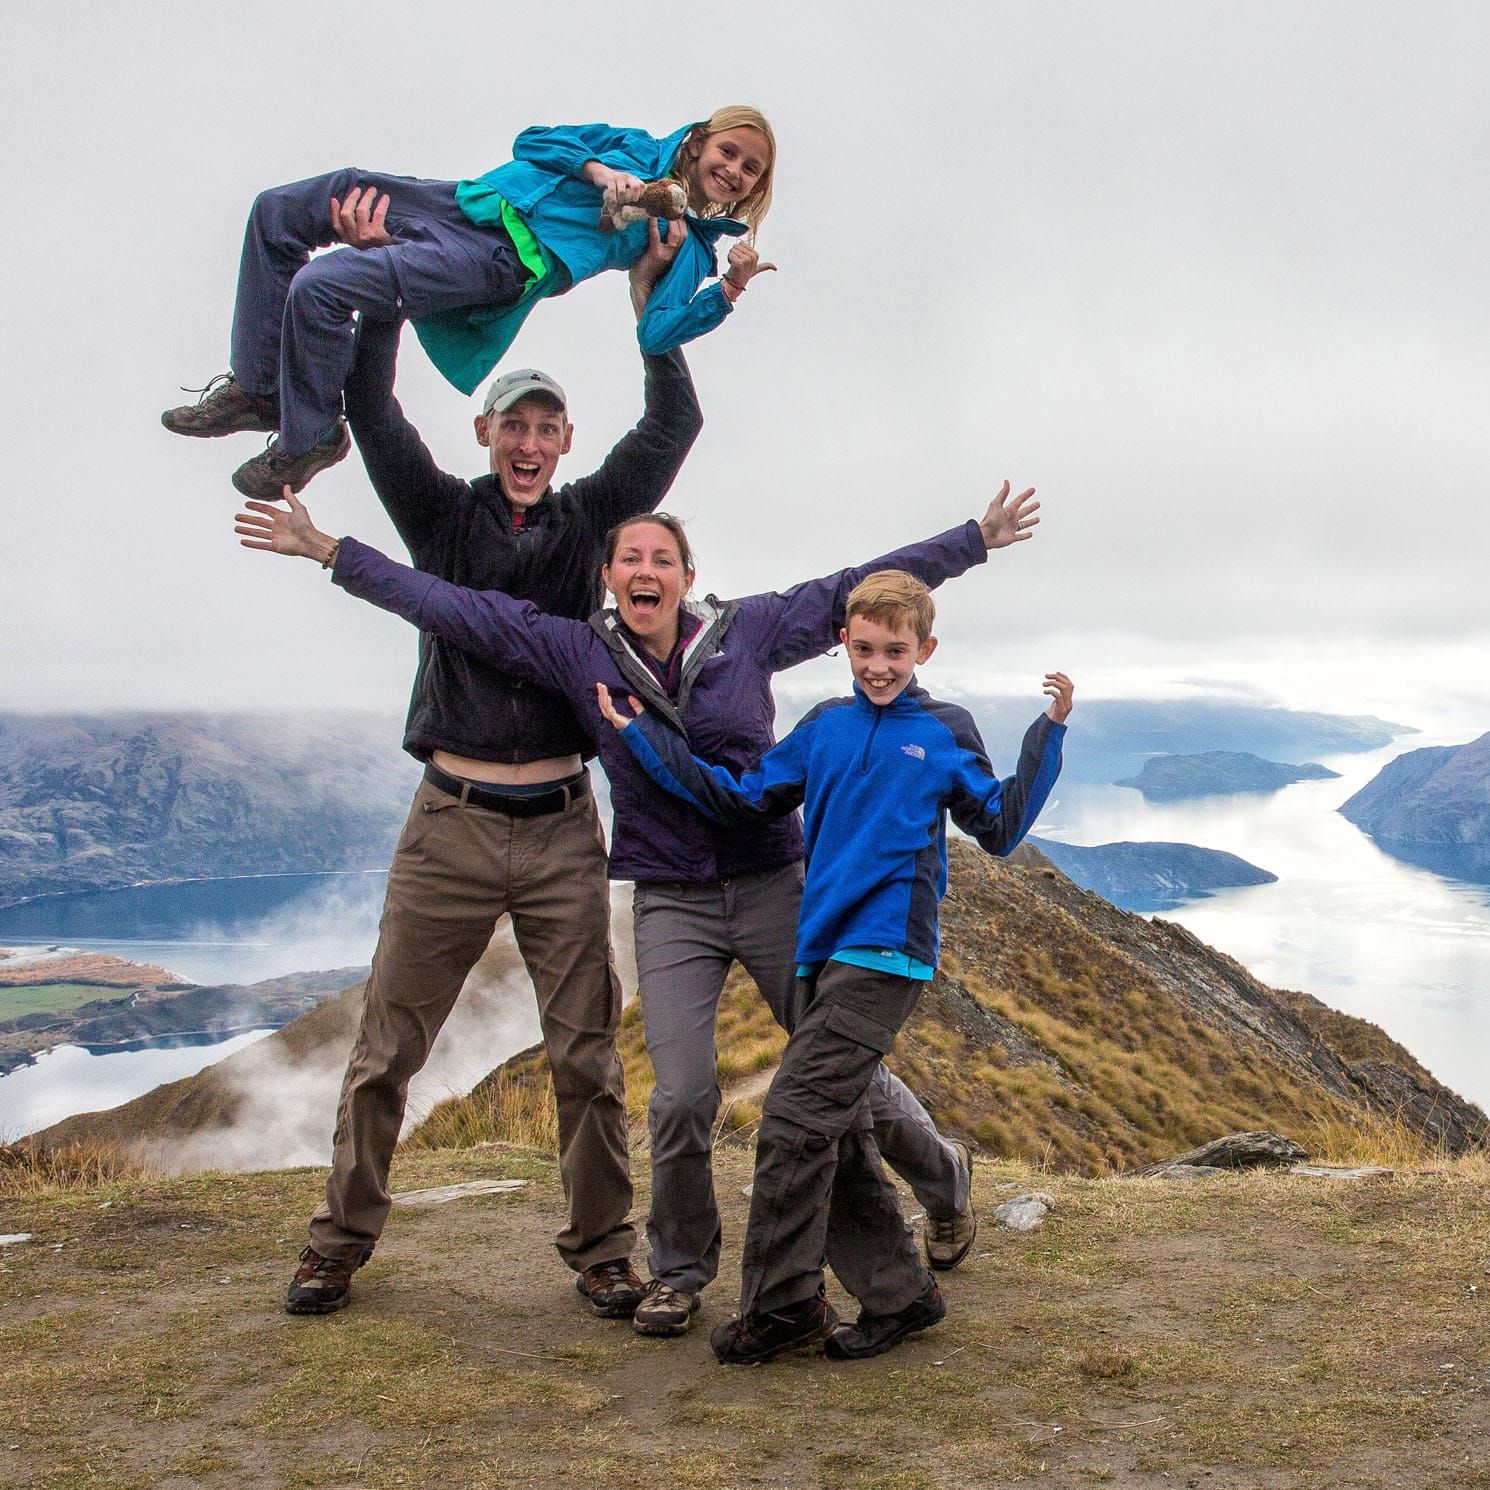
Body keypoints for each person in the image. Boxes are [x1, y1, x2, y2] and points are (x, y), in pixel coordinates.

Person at [235, 483, 1040, 1337]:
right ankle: (681, 1271)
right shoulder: (577, 651)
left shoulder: (749, 630)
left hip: (771, 884)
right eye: (630, 559)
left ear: (688, 575)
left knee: (842, 1073)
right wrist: (329, 551)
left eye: (663, 558)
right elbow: (451, 608)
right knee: (682, 1097)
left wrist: (973, 540)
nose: (646, 571)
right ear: (608, 576)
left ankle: (945, 1184)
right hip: (671, 900)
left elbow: (858, 587)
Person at [260, 237, 703, 1320]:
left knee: (585, 1057)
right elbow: (374, 409)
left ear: (563, 442)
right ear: (485, 432)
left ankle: (602, 1249)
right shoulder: (441, 515)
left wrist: (654, 310)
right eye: (514, 422)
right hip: (449, 822)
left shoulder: (593, 524)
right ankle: (338, 1239)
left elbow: (673, 427)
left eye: (548, 426)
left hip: (559, 824)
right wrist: (386, 282)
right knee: (384, 1050)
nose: (531, 441)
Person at [600, 571, 1073, 1364]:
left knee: (789, 1117)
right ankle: (899, 1295)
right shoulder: (823, 726)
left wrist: (1047, 733)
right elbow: (740, 798)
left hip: (888, 955)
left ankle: (782, 1305)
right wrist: (647, 737)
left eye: (895, 650)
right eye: (863, 649)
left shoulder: (945, 730)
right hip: (820, 949)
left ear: (925, 648)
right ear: (844, 646)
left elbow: (998, 825)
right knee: (839, 1129)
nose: (879, 665)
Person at [164, 107, 775, 499]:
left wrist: (726, 289)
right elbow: (533, 140)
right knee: (279, 211)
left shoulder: (686, 246)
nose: (734, 170)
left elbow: (656, 333)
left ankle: (312, 434)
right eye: (729, 151)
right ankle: (261, 390)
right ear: (699, 142)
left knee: (323, 286)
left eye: (751, 170)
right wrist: (596, 170)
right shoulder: (632, 144)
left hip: (506, 261)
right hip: (466, 205)